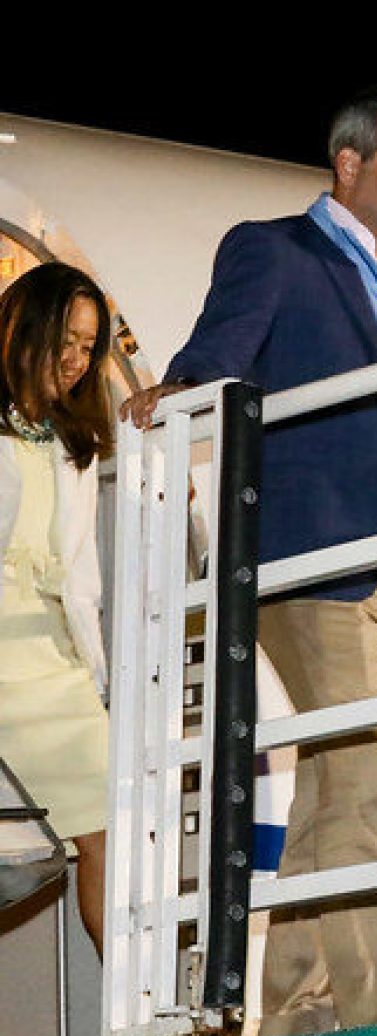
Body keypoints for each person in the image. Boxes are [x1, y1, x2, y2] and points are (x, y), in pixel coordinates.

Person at [122, 84, 377, 1036]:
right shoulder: (274, 250)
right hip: (311, 563)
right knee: (363, 790)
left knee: (339, 795)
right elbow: (220, 354)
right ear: (349, 162)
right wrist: (182, 390)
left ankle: (291, 1020)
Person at [0, 263, 113, 957]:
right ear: (21, 331)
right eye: (64, 340)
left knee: (112, 834)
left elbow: (82, 578)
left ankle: (139, 1033)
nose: (75, 360)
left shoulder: (78, 448)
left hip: (57, 669)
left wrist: (94, 673)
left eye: (88, 347)